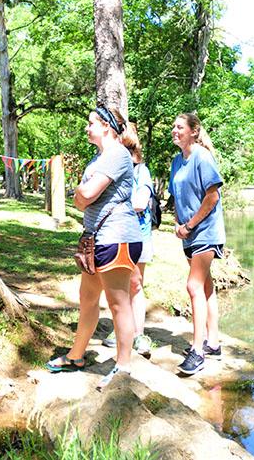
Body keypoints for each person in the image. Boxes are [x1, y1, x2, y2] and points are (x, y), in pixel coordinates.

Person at [46, 106, 143, 391]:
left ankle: (123, 367)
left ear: (106, 127)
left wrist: (83, 191)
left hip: (118, 239)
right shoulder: (99, 158)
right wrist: (83, 193)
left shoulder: (117, 155)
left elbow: (85, 194)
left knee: (117, 303)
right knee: (88, 298)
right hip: (95, 240)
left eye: (91, 123)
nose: (87, 128)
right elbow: (81, 200)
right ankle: (76, 356)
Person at [168, 112, 225, 376]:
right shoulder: (176, 162)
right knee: (204, 285)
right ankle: (213, 342)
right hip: (188, 233)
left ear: (193, 131)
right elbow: (177, 196)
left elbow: (212, 197)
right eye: (173, 127)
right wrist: (180, 224)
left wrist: (190, 225)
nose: (174, 130)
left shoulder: (202, 157)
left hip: (206, 231)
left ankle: (197, 351)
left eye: (179, 127)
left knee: (193, 285)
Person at [103, 122, 154, 357]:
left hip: (138, 236)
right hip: (116, 235)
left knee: (135, 284)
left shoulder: (141, 171)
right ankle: (122, 328)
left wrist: (114, 205)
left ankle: (138, 334)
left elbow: (141, 202)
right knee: (118, 286)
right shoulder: (111, 166)